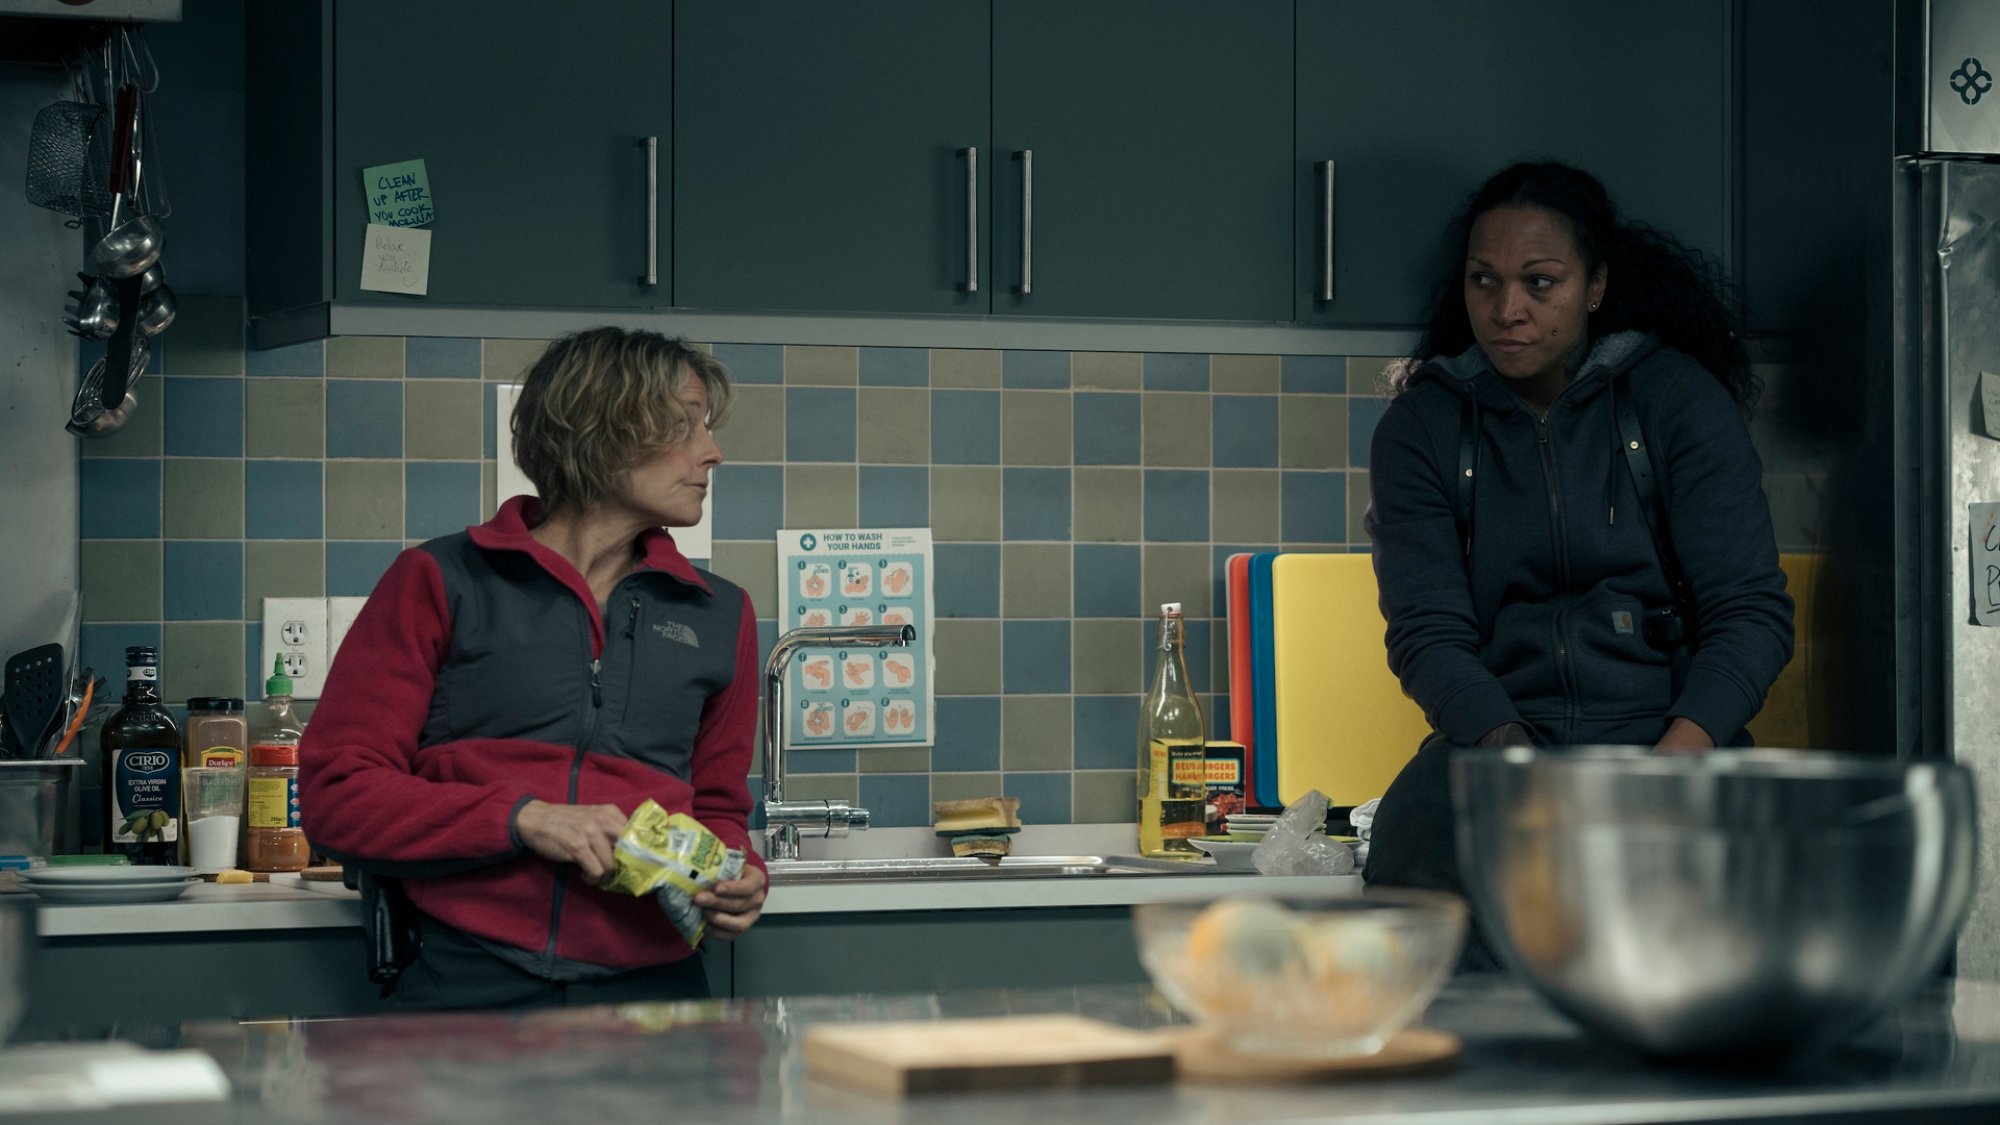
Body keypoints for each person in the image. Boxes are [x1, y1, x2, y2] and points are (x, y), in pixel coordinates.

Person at [1360, 162, 1794, 966]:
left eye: (1540, 282)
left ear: (1595, 287)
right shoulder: (1421, 427)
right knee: (1460, 1045)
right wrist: (1516, 771)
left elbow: (1750, 612)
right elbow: (1428, 634)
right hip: (1490, 768)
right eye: (1483, 281)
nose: (1507, 310)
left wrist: (1669, 769)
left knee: (1674, 1048)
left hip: (1671, 760)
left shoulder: (1677, 401)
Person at [300, 327, 768, 1008]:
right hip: (463, 978)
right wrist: (524, 819)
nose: (712, 451)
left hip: (655, 1000)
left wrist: (741, 874)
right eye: (684, 425)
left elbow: (720, 807)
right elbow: (338, 795)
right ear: (603, 431)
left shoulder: (719, 613)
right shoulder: (440, 580)